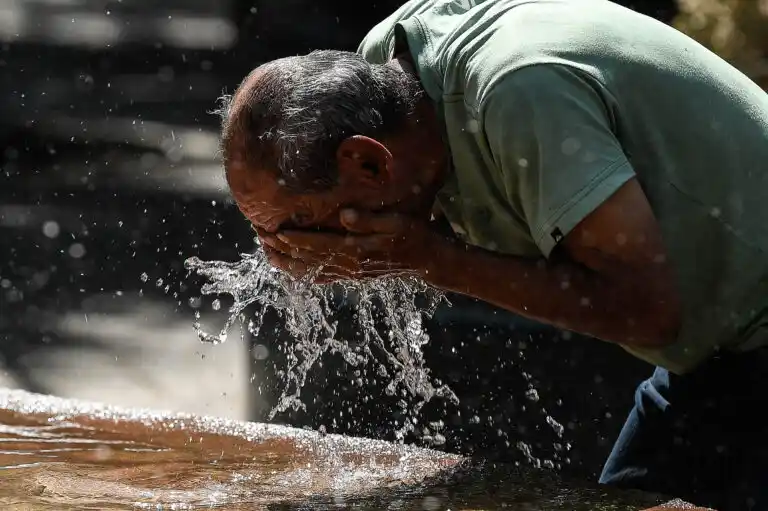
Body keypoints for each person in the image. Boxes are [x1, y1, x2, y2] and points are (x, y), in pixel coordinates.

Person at [218, 0, 768, 508]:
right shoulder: (394, 76)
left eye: (296, 225)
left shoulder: (520, 98)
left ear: (368, 163)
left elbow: (648, 310)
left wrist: (434, 259)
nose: (284, 254)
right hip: (715, 355)